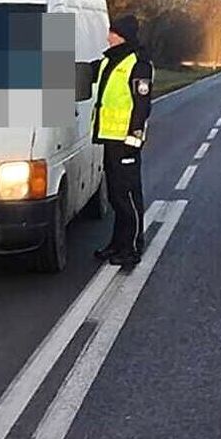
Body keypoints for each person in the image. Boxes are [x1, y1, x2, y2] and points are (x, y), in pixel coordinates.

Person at [91, 14, 154, 270]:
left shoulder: (138, 64)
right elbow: (82, 75)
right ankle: (118, 244)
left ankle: (133, 247)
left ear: (122, 36)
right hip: (110, 139)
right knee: (116, 197)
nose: (108, 37)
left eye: (112, 33)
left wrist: (134, 138)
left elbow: (142, 105)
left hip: (126, 142)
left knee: (128, 196)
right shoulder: (109, 61)